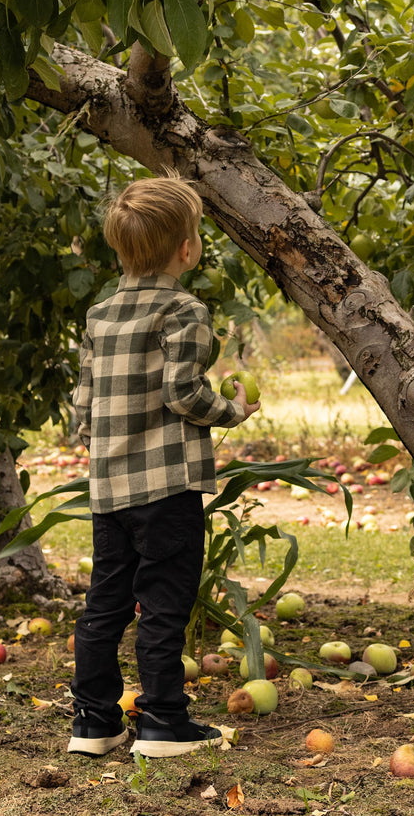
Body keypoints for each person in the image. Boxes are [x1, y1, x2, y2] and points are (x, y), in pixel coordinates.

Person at [68, 174, 260, 759]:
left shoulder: (99, 315)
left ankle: (94, 723)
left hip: (110, 491)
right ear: (187, 248)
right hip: (168, 488)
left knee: (104, 603)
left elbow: (82, 408)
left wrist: (106, 450)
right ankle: (162, 725)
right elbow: (183, 394)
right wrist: (233, 410)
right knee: (162, 604)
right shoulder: (184, 309)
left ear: (120, 248)